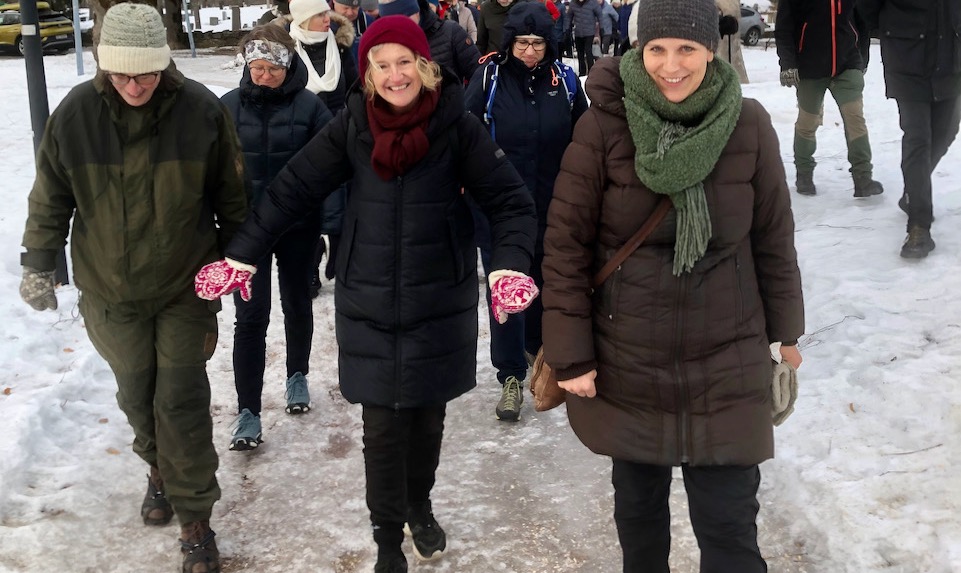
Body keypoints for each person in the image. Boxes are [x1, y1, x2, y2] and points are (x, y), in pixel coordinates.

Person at [193, 15, 537, 573]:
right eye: (383, 65)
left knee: (426, 419)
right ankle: (385, 540)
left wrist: (509, 265)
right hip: (369, 297)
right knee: (381, 427)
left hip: (438, 297)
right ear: (368, 73)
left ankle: (419, 504)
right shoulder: (351, 123)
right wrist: (242, 253)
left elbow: (511, 202)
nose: (395, 75)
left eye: (406, 62)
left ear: (425, 67)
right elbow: (293, 189)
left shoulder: (458, 124)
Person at [540, 0, 805, 570]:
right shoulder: (603, 126)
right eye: (656, 49)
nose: (671, 65)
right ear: (638, 50)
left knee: (732, 535)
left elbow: (773, 237)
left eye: (687, 48)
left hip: (727, 358)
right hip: (628, 358)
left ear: (712, 50)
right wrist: (570, 354)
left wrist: (787, 332)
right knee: (640, 528)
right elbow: (565, 248)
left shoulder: (749, 123)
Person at [18, 4, 248, 572]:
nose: (134, 85)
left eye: (144, 73)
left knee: (181, 400)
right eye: (122, 75)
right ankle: (159, 469)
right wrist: (39, 261)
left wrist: (242, 259)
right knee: (136, 395)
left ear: (162, 63)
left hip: (183, 285)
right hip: (109, 287)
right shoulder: (75, 114)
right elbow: (51, 193)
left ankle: (196, 518)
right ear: (104, 66)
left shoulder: (199, 111)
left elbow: (232, 194)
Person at [465, 2, 587, 421]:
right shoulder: (488, 78)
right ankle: (511, 375)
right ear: (508, 43)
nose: (530, 52)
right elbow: (466, 135)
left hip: (554, 203)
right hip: (499, 209)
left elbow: (585, 137)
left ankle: (539, 356)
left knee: (545, 283)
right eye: (522, 44)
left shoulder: (566, 81)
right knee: (508, 289)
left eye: (538, 43)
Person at [220, 25, 334, 450]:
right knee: (250, 318)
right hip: (247, 231)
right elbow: (212, 171)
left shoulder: (311, 108)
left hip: (297, 226)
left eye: (271, 68)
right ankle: (248, 412)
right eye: (256, 67)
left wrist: (331, 224)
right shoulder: (227, 107)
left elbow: (332, 165)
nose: (262, 75)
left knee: (296, 302)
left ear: (288, 67)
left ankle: (297, 375)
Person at [860, 0, 961, 259]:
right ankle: (918, 225)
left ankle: (912, 192)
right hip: (907, 62)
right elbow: (865, 9)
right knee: (918, 138)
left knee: (946, 132)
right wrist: (898, 35)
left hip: (951, 60)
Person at [775, 0, 883, 198]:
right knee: (808, 121)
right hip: (810, 66)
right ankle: (804, 175)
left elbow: (863, 22)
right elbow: (783, 27)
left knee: (855, 119)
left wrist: (862, 58)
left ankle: (863, 178)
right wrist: (788, 63)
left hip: (847, 63)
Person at [288, 0, 358, 297]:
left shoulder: (340, 47)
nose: (326, 18)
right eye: (318, 14)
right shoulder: (287, 51)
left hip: (340, 139)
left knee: (344, 206)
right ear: (304, 19)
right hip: (301, 142)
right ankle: (310, 269)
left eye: (326, 12)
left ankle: (343, 265)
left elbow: (357, 88)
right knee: (308, 210)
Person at [378, 0, 480, 83]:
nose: (399, 26)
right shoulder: (378, 45)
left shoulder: (451, 33)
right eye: (390, 22)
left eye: (404, 18)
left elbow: (479, 76)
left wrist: (464, 105)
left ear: (417, 11)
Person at [566, 0, 602, 76]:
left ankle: (591, 71)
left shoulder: (592, 2)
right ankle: (582, 72)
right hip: (578, 32)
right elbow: (569, 16)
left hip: (589, 32)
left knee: (588, 52)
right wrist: (567, 28)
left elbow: (600, 15)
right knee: (580, 53)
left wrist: (601, 28)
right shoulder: (573, 4)